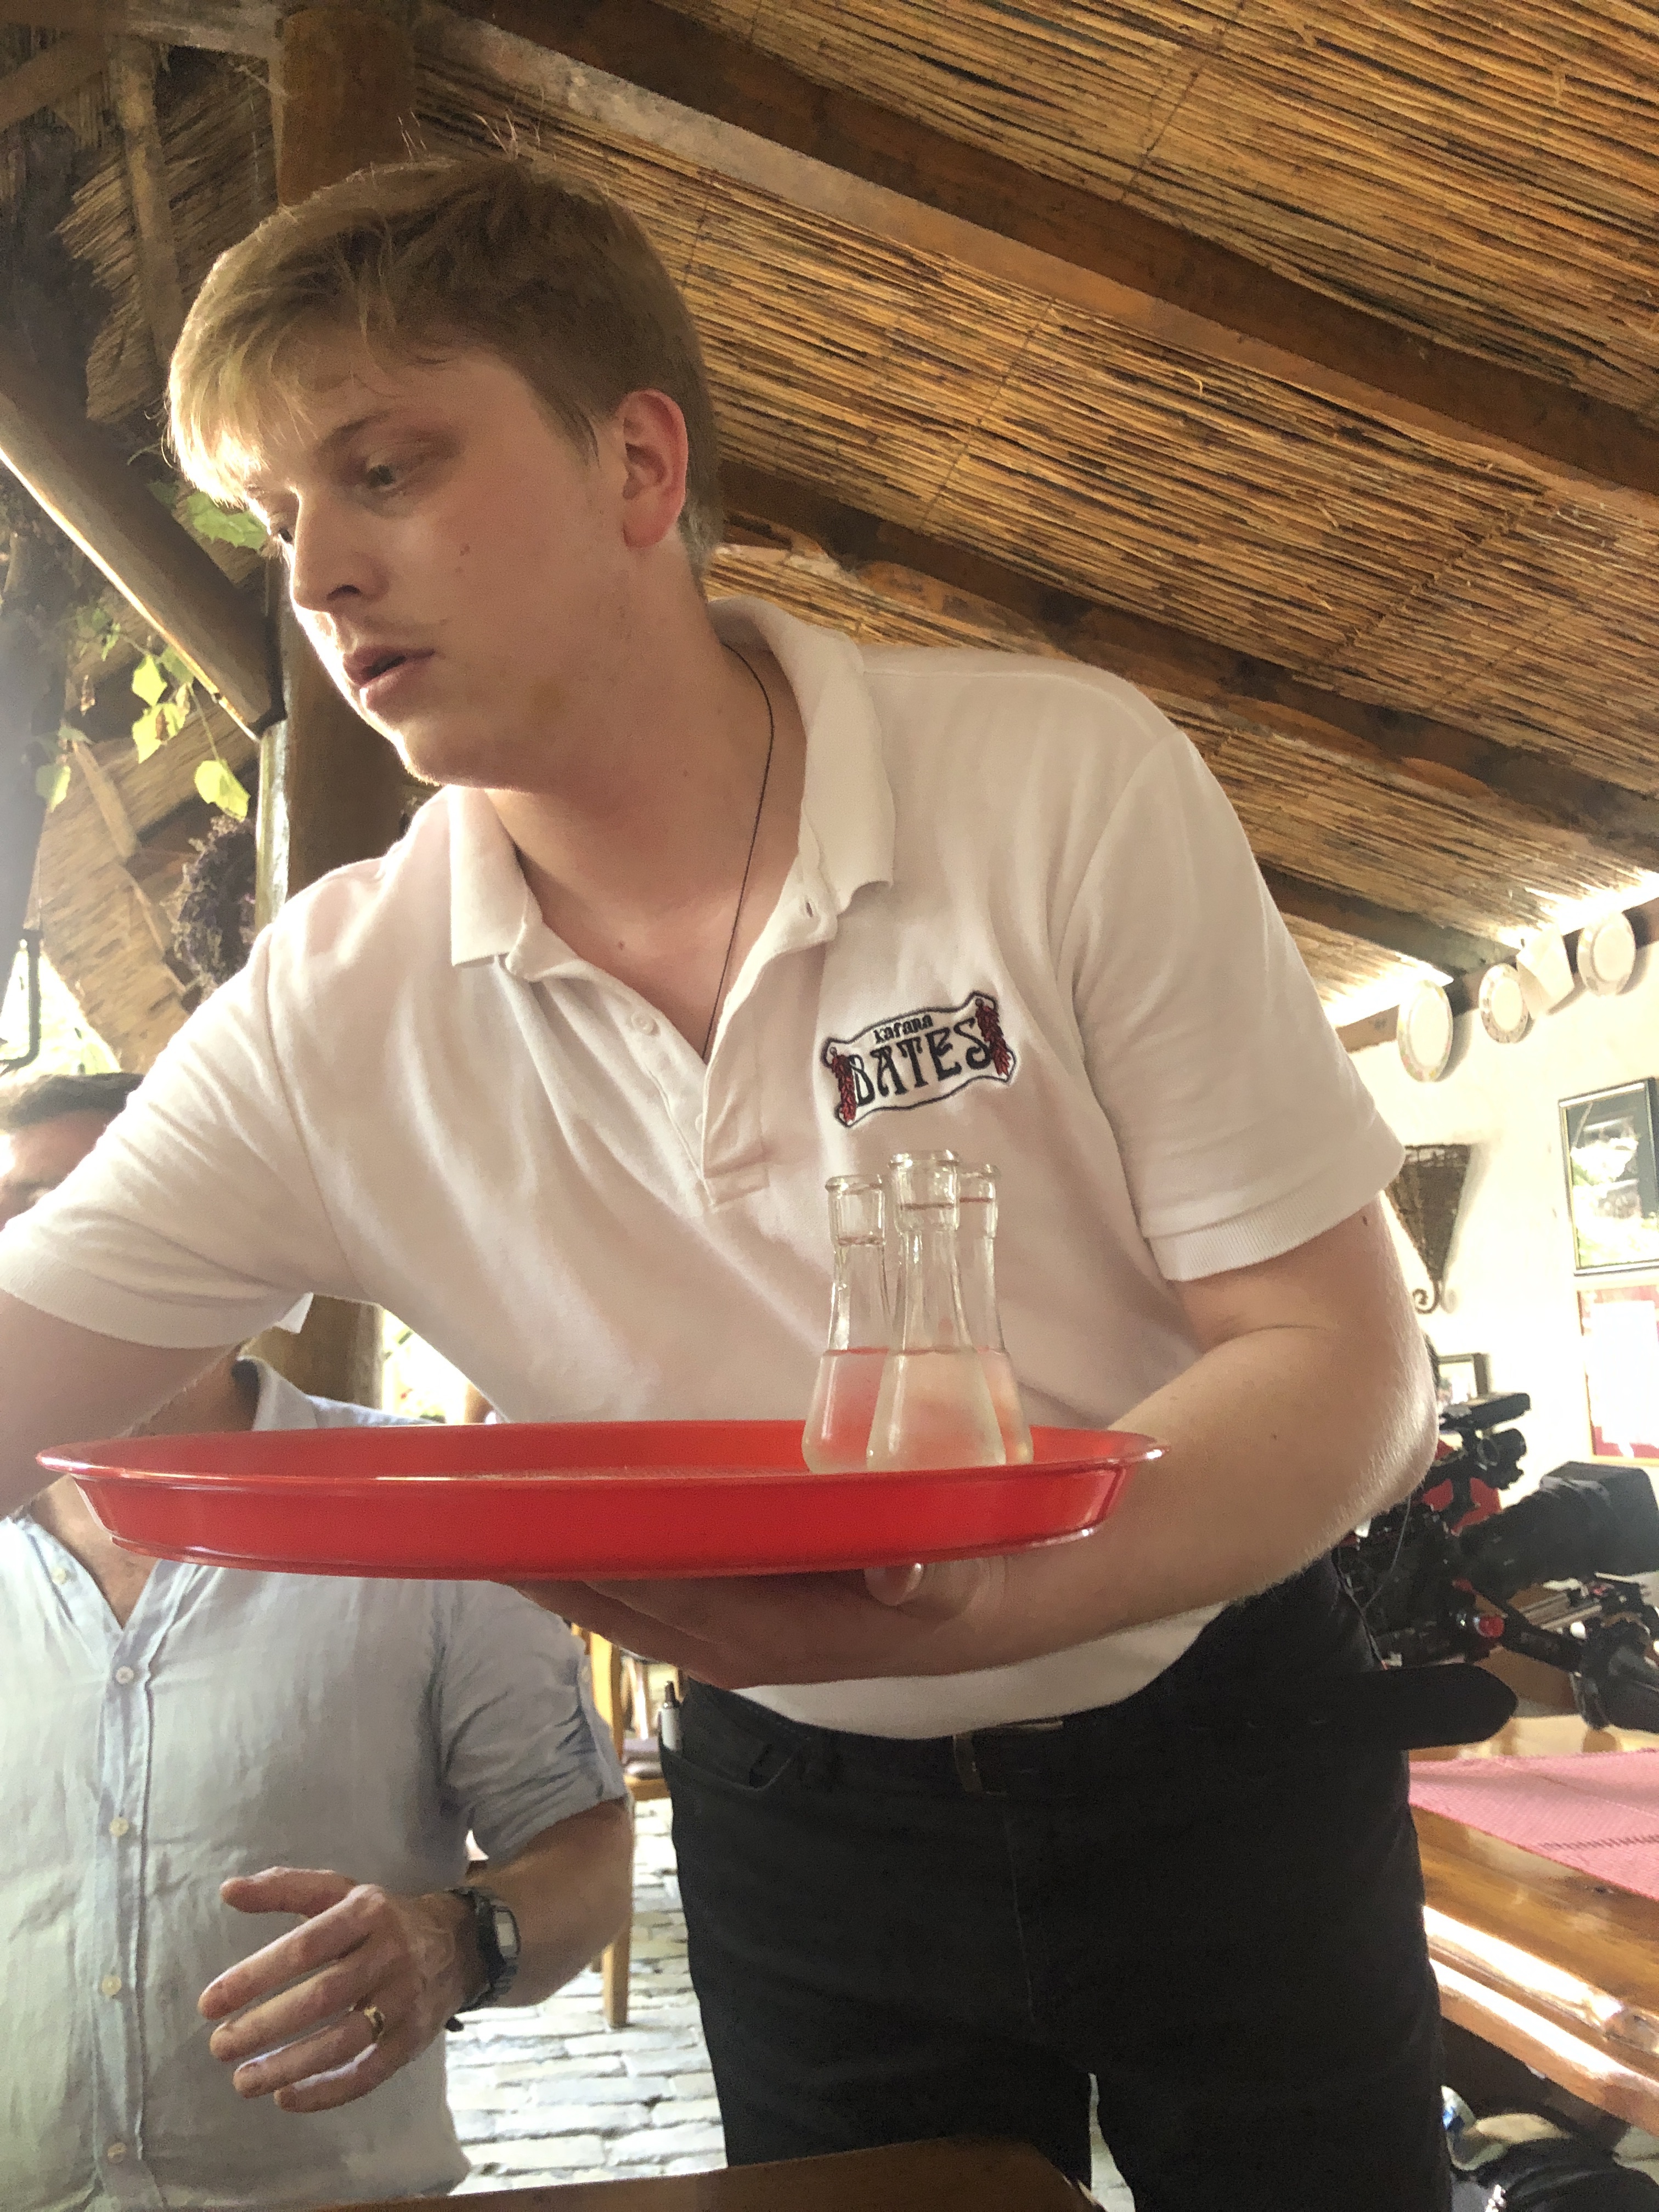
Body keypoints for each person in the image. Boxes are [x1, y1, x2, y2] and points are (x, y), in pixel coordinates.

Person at [0, 158, 1442, 2209]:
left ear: (638, 466)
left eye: (385, 468)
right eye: (272, 519)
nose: (316, 571)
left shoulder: (1051, 783)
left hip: (1218, 1714)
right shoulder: (338, 1001)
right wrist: (861, 1668)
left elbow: (1336, 1360)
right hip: (789, 1787)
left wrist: (978, 1615)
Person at [1, 1070, 631, 2210]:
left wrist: (457, 1941)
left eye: (124, 1226)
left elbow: (586, 1854)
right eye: (27, 1226)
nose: (75, 1278)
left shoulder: (416, 1508)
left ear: (236, 1262)